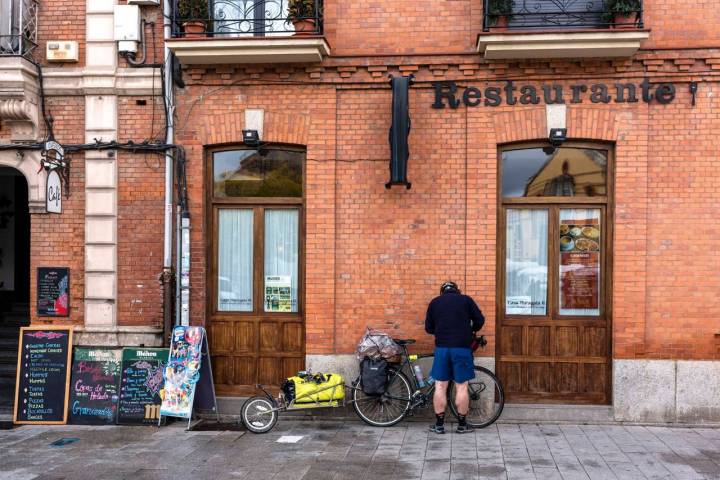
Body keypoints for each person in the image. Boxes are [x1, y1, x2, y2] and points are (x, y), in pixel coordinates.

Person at [425, 281, 484, 434]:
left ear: (442, 291)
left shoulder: (435, 303)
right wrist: (470, 330)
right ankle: (462, 425)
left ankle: (439, 425)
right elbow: (480, 320)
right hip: (462, 348)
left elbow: (428, 328)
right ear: (457, 290)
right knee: (462, 386)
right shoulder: (466, 300)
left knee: (440, 386)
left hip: (442, 348)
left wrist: (441, 330)